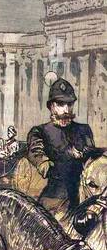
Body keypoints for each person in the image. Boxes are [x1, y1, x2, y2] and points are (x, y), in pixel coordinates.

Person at [26, 77, 96, 219]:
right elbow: (37, 155)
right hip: (55, 200)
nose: (66, 109)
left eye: (69, 104)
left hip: (85, 199)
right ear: (51, 106)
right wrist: (66, 156)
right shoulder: (39, 131)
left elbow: (93, 161)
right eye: (60, 104)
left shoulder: (84, 130)